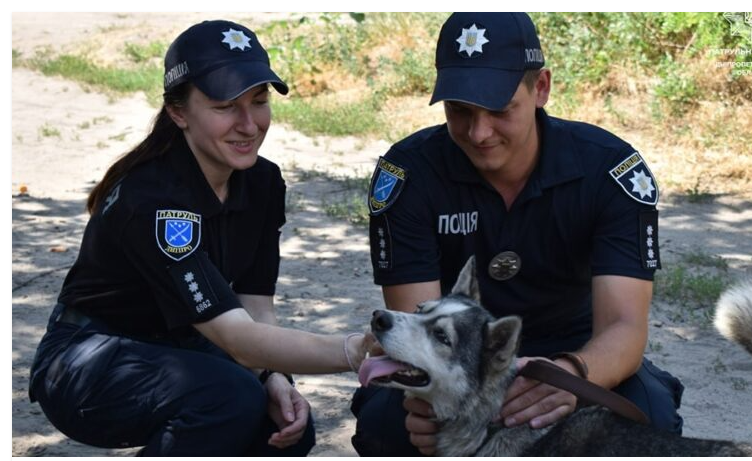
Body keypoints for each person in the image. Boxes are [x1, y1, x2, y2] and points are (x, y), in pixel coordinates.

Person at [28, 19, 371, 456]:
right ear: (178, 112)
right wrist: (357, 350)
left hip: (179, 346)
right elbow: (237, 340)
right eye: (226, 106)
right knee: (227, 399)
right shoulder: (153, 198)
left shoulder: (262, 181)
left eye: (260, 101)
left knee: (285, 426)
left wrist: (275, 378)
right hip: (85, 359)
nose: (249, 124)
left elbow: (255, 307)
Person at [352, 12, 684, 456]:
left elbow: (624, 327)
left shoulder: (607, 171)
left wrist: (571, 375)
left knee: (649, 421)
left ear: (541, 88)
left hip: (578, 350)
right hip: (455, 360)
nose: (479, 132)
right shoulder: (410, 175)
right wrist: (425, 405)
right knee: (388, 428)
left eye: (500, 110)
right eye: (460, 111)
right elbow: (414, 333)